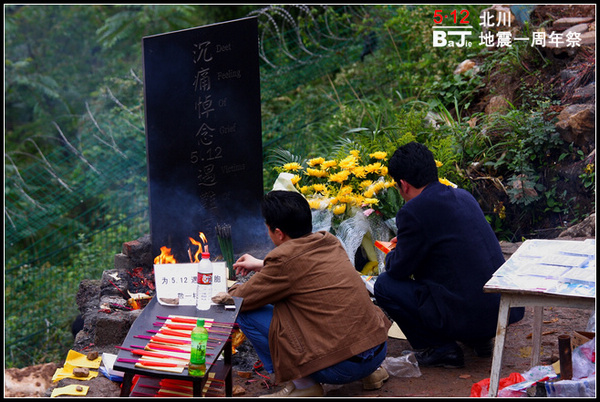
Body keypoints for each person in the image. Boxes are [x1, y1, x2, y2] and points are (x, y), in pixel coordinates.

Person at [374, 142, 524, 369]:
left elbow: (398, 269)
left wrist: (394, 252)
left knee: (385, 285)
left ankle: (440, 349)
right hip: (500, 309)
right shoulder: (462, 196)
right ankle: (479, 340)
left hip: (469, 315)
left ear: (403, 185)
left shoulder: (413, 211)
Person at [228, 190, 392, 397]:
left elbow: (241, 299)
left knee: (246, 313)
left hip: (341, 370)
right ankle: (372, 373)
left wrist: (226, 286)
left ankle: (304, 385)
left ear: (278, 233)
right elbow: (301, 268)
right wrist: (262, 265)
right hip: (377, 350)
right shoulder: (329, 242)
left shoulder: (283, 261)